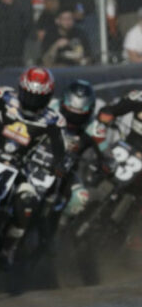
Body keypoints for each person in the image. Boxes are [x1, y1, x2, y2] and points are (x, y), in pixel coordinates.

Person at [0, 67, 66, 263]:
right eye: (29, 95)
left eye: (38, 98)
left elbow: (59, 150)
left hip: (20, 169)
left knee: (27, 202)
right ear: (21, 88)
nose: (32, 102)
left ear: (47, 97)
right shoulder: (3, 96)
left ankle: (8, 248)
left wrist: (58, 165)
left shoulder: (53, 120)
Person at [56, 79, 105, 219]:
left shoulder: (94, 127)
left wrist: (106, 161)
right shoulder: (50, 109)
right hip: (37, 163)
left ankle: (60, 223)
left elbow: (105, 150)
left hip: (67, 172)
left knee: (81, 196)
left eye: (79, 115)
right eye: (69, 112)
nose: (72, 121)